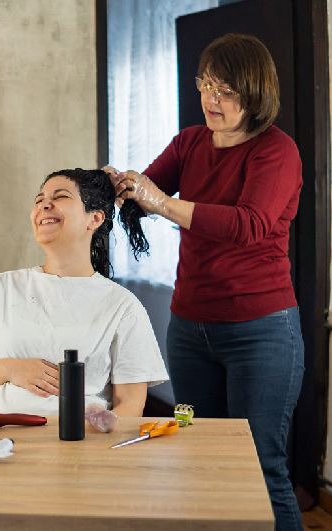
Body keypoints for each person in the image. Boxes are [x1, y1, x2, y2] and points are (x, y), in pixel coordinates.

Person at [106, 33, 304, 530]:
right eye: (206, 86)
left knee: (261, 468)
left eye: (226, 91)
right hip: (190, 330)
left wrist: (162, 203)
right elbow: (146, 187)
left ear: (256, 92)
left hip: (261, 332)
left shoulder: (276, 152)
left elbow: (248, 224)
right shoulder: (190, 142)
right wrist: (121, 184)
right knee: (202, 458)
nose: (212, 100)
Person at [0, 168, 169, 418]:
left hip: (80, 443)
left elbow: (130, 404)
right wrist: (10, 369)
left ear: (94, 219)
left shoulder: (122, 306)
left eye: (60, 197)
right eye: (39, 200)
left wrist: (96, 442)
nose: (45, 205)